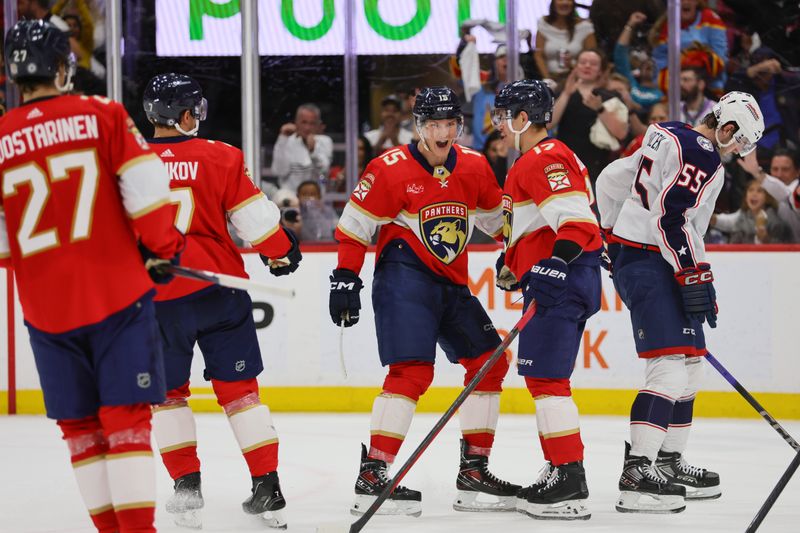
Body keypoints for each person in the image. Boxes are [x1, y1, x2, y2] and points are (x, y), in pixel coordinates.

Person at [0, 20, 184, 533]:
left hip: (44, 310)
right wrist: (161, 250)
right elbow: (148, 196)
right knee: (125, 421)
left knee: (80, 430)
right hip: (115, 296)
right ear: (62, 67)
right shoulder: (100, 114)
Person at [329, 86, 519, 516]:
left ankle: (474, 472)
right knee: (412, 371)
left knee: (490, 362)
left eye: (451, 123)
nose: (444, 131)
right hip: (404, 279)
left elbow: (497, 222)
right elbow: (356, 226)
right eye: (435, 124)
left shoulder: (473, 165)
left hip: (451, 285)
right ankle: (373, 474)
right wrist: (344, 277)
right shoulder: (389, 168)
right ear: (419, 126)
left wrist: (517, 254)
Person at [142, 73, 302, 529]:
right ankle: (267, 486)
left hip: (159, 298)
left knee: (168, 396)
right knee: (240, 393)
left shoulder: (127, 165)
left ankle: (186, 487)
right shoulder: (221, 156)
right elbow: (259, 226)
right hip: (220, 292)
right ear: (185, 114)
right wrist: (283, 254)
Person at [596, 91, 765, 512]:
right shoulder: (704, 155)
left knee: (690, 370)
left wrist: (611, 233)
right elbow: (671, 220)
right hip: (653, 264)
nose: (739, 150)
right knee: (669, 370)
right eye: (740, 141)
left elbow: (609, 180)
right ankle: (638, 472)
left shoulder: (666, 132)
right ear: (726, 128)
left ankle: (667, 462)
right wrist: (694, 272)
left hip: (652, 261)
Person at [492, 79, 603, 520]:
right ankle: (561, 466)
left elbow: (577, 224)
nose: (498, 125)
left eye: (503, 116)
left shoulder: (544, 157)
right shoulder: (537, 159)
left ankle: (569, 477)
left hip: (560, 285)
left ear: (523, 119)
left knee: (546, 382)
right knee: (548, 379)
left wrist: (556, 263)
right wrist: (513, 262)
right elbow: (538, 223)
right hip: (555, 282)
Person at [551, 49, 629, 185]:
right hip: (566, 165)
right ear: (576, 67)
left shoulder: (609, 96)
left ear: (600, 70)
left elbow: (621, 133)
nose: (587, 66)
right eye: (582, 62)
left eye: (593, 64)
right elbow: (549, 124)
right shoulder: (562, 92)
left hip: (598, 166)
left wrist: (600, 108)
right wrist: (566, 93)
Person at [270, 103, 333, 194]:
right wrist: (282, 139)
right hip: (290, 200)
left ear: (318, 125)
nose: (307, 128)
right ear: (296, 122)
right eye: (304, 122)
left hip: (316, 199)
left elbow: (324, 171)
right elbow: (279, 171)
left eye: (312, 123)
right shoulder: (286, 140)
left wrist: (313, 150)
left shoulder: (325, 141)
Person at [534, 0, 597, 84]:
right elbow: (538, 55)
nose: (565, 3)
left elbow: (593, 58)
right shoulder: (543, 24)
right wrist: (548, 79)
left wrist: (572, 65)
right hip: (550, 79)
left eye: (569, 0)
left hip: (578, 80)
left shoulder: (585, 26)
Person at [710, 178, 791, 243]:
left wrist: (766, 239)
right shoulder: (742, 216)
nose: (754, 194)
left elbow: (781, 249)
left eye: (759, 191)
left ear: (768, 197)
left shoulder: (775, 222)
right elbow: (734, 242)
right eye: (750, 190)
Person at [613, 11, 663, 110]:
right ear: (639, 70)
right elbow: (620, 53)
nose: (649, 64)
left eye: (652, 64)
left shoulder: (664, 92)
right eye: (645, 64)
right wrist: (630, 25)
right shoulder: (631, 83)